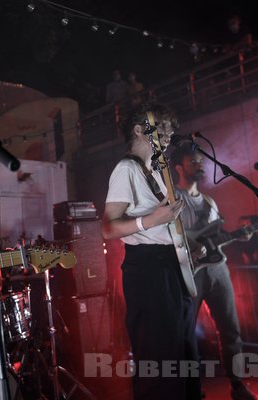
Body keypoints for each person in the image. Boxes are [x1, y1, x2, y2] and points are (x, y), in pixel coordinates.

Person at [102, 103, 201, 400]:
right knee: (160, 360)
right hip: (148, 269)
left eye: (171, 127)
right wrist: (150, 221)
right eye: (162, 127)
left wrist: (182, 242)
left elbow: (163, 223)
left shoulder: (158, 171)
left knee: (184, 355)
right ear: (138, 130)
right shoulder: (126, 168)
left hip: (171, 265)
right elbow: (107, 228)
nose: (169, 133)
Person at [171, 144, 258, 400]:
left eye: (201, 160)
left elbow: (216, 237)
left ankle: (238, 386)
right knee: (186, 334)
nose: (200, 164)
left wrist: (239, 236)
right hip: (191, 272)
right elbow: (169, 234)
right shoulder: (173, 200)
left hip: (218, 270)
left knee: (230, 329)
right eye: (193, 161)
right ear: (179, 167)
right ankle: (192, 389)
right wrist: (191, 243)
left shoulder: (210, 201)